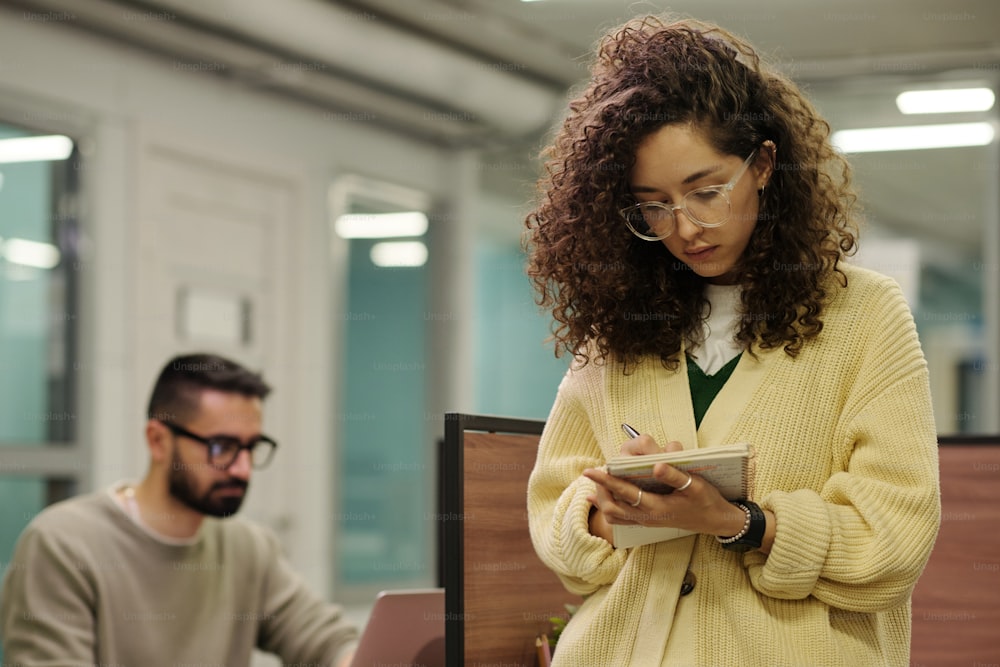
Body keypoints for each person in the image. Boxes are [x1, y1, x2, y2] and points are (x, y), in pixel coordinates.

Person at [524, 14, 940, 667]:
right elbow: (556, 509)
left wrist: (737, 522)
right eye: (652, 205)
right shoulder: (616, 334)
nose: (684, 226)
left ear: (764, 164)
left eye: (706, 191)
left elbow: (894, 535)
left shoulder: (865, 316)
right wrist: (614, 512)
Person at [0, 353, 357, 666]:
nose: (243, 468)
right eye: (222, 447)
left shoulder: (249, 547)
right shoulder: (63, 545)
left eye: (252, 447)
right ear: (157, 440)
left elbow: (323, 639)